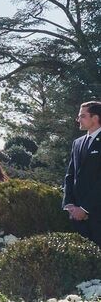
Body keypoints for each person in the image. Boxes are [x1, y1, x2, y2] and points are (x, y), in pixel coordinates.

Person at [63, 101, 101, 247]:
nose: (78, 119)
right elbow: (70, 175)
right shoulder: (77, 143)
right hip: (76, 217)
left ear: (95, 118)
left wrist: (84, 208)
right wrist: (69, 203)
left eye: (82, 116)